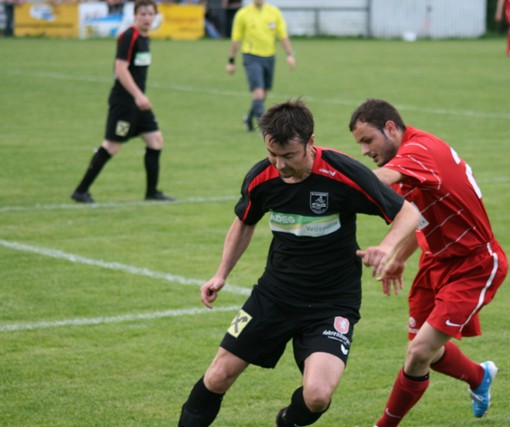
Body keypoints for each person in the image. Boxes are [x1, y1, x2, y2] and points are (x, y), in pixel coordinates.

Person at [177, 99, 421, 427]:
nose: (279, 164)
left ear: (310, 142)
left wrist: (386, 247)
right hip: (273, 295)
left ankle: (287, 421)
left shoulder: (343, 173)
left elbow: (408, 212)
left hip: (332, 303)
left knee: (317, 396)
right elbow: (244, 222)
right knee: (218, 375)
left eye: (289, 155)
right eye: (272, 154)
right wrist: (221, 274)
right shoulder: (262, 177)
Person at [349, 99, 509, 426]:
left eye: (368, 140)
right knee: (428, 353)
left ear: (390, 128)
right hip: (435, 260)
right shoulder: (409, 158)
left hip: (473, 264)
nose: (364, 151)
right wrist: (399, 258)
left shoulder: (419, 150)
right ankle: (479, 376)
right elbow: (418, 215)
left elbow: (377, 180)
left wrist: (326, 182)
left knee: (419, 353)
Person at [70, 0, 174, 204]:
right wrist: (138, 95)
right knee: (111, 146)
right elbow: (120, 69)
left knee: (155, 141)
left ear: (155, 16)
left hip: (138, 104)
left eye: (150, 14)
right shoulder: (129, 36)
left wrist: (139, 98)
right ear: (135, 15)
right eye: (142, 14)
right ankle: (80, 191)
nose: (147, 18)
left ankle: (152, 193)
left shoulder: (145, 38)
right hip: (124, 103)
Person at [225, 0, 296, 132]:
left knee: (263, 94)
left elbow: (282, 35)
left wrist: (289, 54)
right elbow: (236, 39)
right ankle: (264, 129)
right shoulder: (243, 14)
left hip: (269, 57)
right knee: (258, 92)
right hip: (251, 56)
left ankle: (248, 118)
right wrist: (231, 61)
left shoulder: (274, 12)